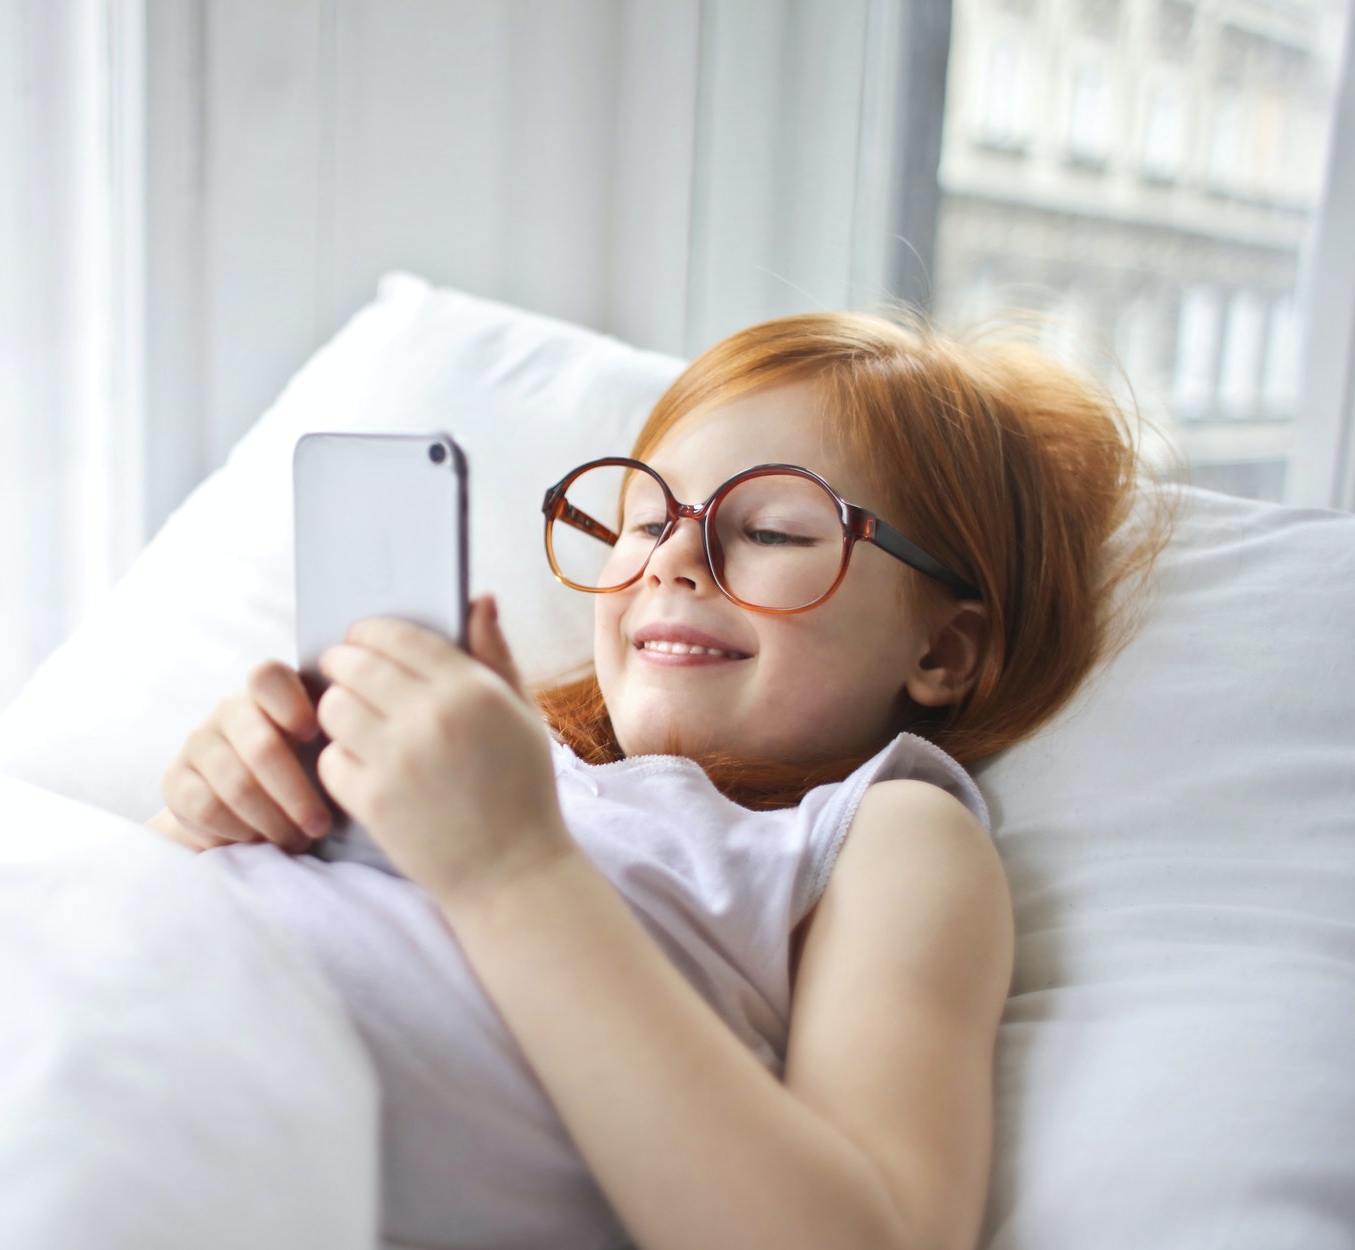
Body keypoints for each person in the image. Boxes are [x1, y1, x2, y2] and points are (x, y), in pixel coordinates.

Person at [146, 311, 1159, 1250]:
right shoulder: (503, 745)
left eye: (770, 530)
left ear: (942, 647)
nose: (674, 557)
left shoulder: (883, 833)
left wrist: (513, 866)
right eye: (644, 517)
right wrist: (206, 812)